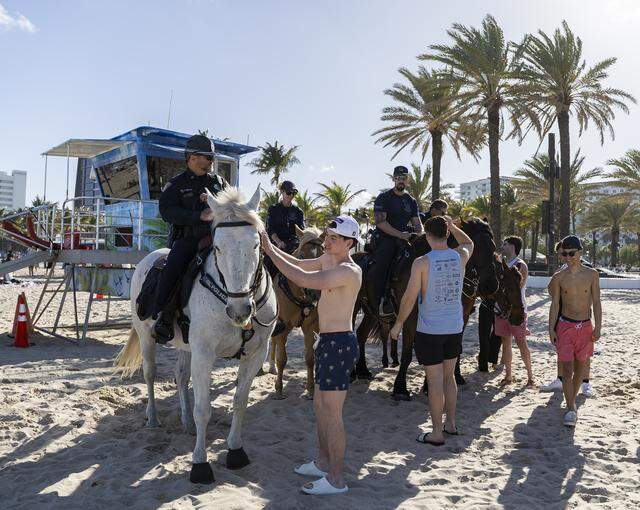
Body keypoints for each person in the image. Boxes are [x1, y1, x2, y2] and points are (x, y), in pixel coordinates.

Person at [261, 215, 362, 495]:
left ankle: (336, 479)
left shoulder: (349, 271)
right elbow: (300, 263)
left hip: (340, 343)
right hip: (326, 342)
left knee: (333, 414)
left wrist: (269, 251)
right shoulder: (329, 260)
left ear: (349, 243)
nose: (326, 242)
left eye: (333, 238)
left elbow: (303, 277)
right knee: (320, 408)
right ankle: (322, 461)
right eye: (327, 236)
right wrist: (271, 247)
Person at [390, 216, 473, 446]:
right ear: (447, 234)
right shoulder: (459, 256)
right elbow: (469, 243)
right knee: (449, 377)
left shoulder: (422, 262)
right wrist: (453, 225)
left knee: (434, 381)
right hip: (454, 327)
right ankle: (451, 424)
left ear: (426, 235)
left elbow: (408, 298)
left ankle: (436, 432)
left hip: (430, 330)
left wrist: (398, 324)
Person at [152, 134, 227, 343]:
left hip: (216, 239)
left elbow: (230, 205)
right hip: (189, 240)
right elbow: (166, 211)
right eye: (207, 157)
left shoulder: (219, 183)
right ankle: (163, 317)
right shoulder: (176, 184)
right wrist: (197, 216)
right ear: (192, 157)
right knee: (173, 268)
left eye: (212, 158)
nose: (211, 161)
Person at [548, 235, 601, 427]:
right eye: (564, 254)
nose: (568, 257)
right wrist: (550, 329)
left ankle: (572, 401)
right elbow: (554, 304)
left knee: (580, 368)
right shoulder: (558, 278)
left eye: (571, 253)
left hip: (585, 327)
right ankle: (571, 408)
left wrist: (598, 326)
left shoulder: (592, 275)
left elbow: (596, 302)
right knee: (567, 369)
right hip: (565, 326)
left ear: (580, 252)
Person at [542, 242, 596, 396]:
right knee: (562, 351)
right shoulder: (560, 273)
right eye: (561, 253)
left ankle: (585, 382)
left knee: (583, 354)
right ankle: (560, 379)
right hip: (562, 315)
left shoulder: (586, 270)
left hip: (582, 318)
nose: (565, 256)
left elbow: (591, 297)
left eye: (567, 253)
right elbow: (551, 293)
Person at [371, 165, 423, 316]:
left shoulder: (411, 200)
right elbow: (381, 223)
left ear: (408, 180)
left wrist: (420, 234)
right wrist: (400, 234)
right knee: (383, 263)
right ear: (394, 179)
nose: (401, 180)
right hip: (386, 238)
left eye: (404, 178)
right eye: (398, 177)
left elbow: (417, 222)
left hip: (406, 238)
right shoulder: (384, 198)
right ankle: (381, 300)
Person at [496, 236, 534, 388]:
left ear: (512, 247)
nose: (502, 246)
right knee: (506, 343)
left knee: (521, 343)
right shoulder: (501, 264)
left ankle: (530, 376)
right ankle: (508, 375)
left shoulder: (520, 265)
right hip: (501, 311)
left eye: (505, 244)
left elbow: (517, 289)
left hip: (517, 310)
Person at [266, 180, 305, 253]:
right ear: (282, 192)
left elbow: (301, 231)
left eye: (294, 193)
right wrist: (279, 242)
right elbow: (270, 229)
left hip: (294, 246)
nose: (291, 195)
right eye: (288, 192)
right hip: (275, 245)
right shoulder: (273, 209)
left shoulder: (299, 212)